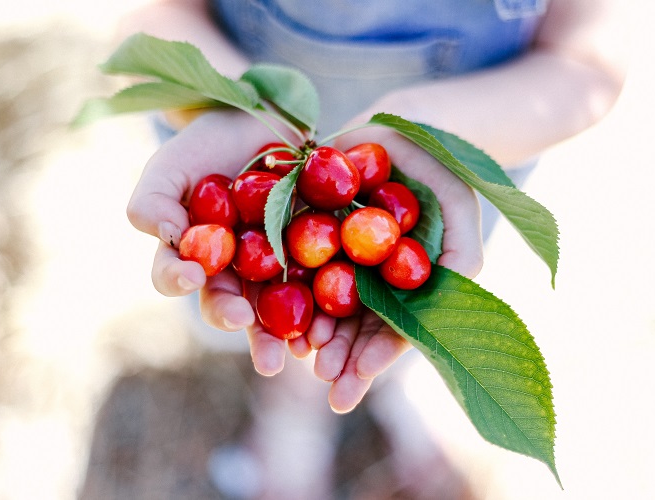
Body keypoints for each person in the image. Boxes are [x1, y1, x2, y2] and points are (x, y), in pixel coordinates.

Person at [115, 1, 627, 496]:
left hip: (454, 145)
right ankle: (293, 408)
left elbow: (588, 62)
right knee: (267, 318)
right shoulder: (269, 215)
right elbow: (152, 19)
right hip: (254, 140)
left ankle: (390, 386)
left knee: (408, 313)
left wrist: (424, 125)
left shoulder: (383, 218)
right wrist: (237, 104)